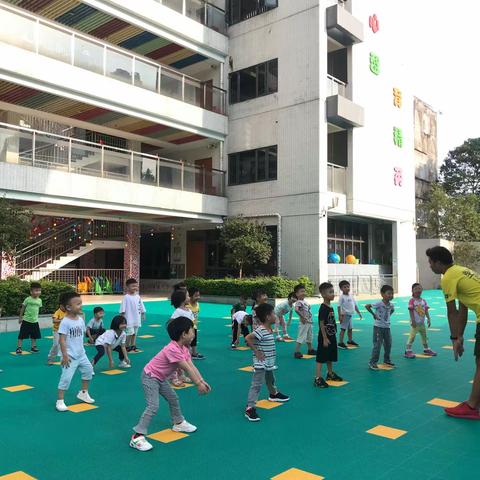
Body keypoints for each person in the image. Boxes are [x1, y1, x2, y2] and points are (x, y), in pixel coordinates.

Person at [129, 316, 211, 452]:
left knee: (173, 398)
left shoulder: (184, 348)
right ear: (184, 334)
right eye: (192, 331)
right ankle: (137, 436)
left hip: (160, 378)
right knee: (153, 406)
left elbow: (192, 365)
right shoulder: (172, 349)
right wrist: (198, 384)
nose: (193, 333)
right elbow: (186, 368)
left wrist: (202, 381)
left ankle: (178, 423)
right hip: (150, 377)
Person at [427, 246, 480, 419]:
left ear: (439, 263)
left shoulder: (448, 277)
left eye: (430, 262)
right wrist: (460, 336)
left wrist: (453, 338)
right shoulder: (462, 270)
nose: (429, 266)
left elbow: (452, 311)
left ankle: (471, 406)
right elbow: (463, 309)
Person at [244, 303, 290, 422]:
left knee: (270, 379)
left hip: (269, 362)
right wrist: (256, 351)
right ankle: (250, 407)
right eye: (274, 313)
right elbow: (248, 338)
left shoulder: (269, 329)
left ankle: (273, 394)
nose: (276, 315)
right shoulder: (261, 329)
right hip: (261, 363)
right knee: (256, 385)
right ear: (268, 317)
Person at [56, 292, 95, 412]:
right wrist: (65, 356)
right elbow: (62, 340)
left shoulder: (80, 319)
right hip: (69, 356)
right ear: (68, 307)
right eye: (78, 304)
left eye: (81, 303)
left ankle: (83, 392)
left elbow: (80, 336)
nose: (81, 306)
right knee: (66, 378)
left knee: (88, 371)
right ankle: (60, 400)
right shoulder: (65, 322)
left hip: (81, 354)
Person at [315, 283, 343, 388]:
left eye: (333, 292)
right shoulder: (323, 308)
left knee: (330, 356)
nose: (333, 294)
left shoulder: (330, 307)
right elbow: (321, 323)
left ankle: (330, 373)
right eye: (330, 292)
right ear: (323, 294)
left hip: (331, 335)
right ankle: (317, 377)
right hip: (324, 337)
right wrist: (325, 338)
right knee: (321, 357)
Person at [366, 285, 395, 370]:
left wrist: (387, 318)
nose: (390, 295)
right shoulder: (379, 303)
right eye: (388, 293)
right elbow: (367, 306)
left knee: (388, 344)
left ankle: (386, 360)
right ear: (382, 294)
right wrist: (374, 314)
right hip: (378, 327)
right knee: (377, 345)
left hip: (387, 327)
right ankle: (372, 362)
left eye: (392, 294)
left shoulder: (391, 305)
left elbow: (392, 310)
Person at [404, 283, 437, 358]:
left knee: (424, 336)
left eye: (419, 288)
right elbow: (411, 311)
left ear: (422, 290)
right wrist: (413, 321)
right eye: (416, 289)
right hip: (415, 323)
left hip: (422, 323)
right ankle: (407, 351)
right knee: (412, 337)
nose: (418, 290)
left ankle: (426, 349)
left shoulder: (423, 301)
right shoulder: (412, 301)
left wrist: (428, 318)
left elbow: (426, 310)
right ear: (412, 291)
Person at [169, 290, 195, 387]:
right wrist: (177, 335)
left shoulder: (189, 311)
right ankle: (174, 378)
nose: (189, 297)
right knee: (177, 360)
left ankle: (182, 375)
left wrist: (192, 336)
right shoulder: (178, 311)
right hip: (179, 341)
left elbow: (192, 325)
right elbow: (171, 323)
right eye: (188, 296)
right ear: (182, 299)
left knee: (185, 358)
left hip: (187, 340)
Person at [120, 278, 146, 352]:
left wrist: (143, 313)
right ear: (127, 287)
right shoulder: (126, 297)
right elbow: (122, 309)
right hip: (129, 319)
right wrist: (122, 318)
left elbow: (141, 305)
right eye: (132, 286)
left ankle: (133, 345)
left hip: (137, 319)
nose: (135, 288)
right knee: (129, 333)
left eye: (136, 286)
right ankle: (127, 346)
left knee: (135, 333)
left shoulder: (138, 297)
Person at [16, 282, 42, 354]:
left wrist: (36, 318)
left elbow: (38, 310)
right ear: (31, 292)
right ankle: (19, 347)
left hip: (35, 321)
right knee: (22, 334)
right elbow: (23, 308)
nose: (38, 292)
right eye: (36, 290)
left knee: (34, 335)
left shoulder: (40, 300)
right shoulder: (27, 299)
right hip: (26, 320)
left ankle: (33, 347)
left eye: (39, 290)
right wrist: (20, 317)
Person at [337, 280, 362, 349]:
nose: (347, 288)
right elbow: (338, 306)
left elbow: (355, 305)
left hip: (350, 315)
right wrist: (340, 316)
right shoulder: (342, 297)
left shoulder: (351, 296)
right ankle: (340, 342)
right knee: (343, 329)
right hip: (345, 315)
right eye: (345, 287)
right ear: (341, 289)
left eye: (348, 286)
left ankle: (350, 340)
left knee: (350, 329)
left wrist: (359, 312)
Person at [293, 284, 316, 359]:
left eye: (304, 291)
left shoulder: (305, 301)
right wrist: (302, 317)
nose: (303, 293)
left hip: (309, 322)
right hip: (304, 322)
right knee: (301, 336)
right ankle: (296, 351)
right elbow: (296, 309)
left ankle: (310, 349)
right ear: (297, 294)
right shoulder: (299, 302)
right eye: (301, 291)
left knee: (310, 336)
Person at [47, 293, 67, 365]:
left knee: (66, 345)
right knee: (55, 344)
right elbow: (54, 320)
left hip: (65, 331)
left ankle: (66, 358)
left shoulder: (68, 312)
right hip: (57, 331)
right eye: (65, 306)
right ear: (61, 306)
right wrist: (61, 320)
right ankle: (50, 358)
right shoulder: (58, 312)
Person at [187, 287, 205, 360]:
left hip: (194, 325)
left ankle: (193, 353)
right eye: (196, 296)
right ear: (190, 296)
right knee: (188, 341)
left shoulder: (197, 304)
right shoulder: (187, 306)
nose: (198, 297)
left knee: (194, 339)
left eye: (199, 295)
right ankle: (189, 354)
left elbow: (196, 314)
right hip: (187, 326)